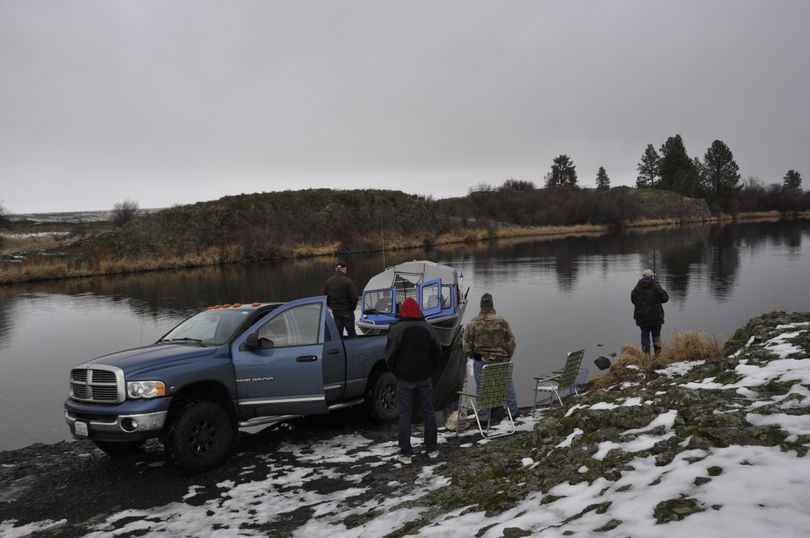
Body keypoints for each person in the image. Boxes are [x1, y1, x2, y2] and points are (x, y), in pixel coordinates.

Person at [384, 297, 443, 465]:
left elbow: (389, 357)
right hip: (424, 378)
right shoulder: (428, 328)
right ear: (418, 310)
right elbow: (438, 353)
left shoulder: (396, 330)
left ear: (403, 311)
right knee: (428, 412)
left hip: (404, 380)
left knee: (404, 415)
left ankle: (406, 453)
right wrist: (428, 368)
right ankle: (432, 448)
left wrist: (397, 372)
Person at [462, 293, 518, 419]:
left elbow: (466, 346)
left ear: (481, 306)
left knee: (482, 388)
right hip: (501, 360)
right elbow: (511, 342)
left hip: (481, 361)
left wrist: (473, 355)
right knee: (507, 385)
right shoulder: (502, 322)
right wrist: (507, 356)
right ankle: (513, 411)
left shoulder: (473, 323)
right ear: (492, 305)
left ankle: (483, 415)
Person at [631, 269, 669, 355]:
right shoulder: (656, 286)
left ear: (643, 276)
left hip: (642, 318)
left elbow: (633, 300)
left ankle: (646, 355)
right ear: (652, 277)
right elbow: (665, 298)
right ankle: (658, 355)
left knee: (644, 335)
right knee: (656, 336)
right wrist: (659, 288)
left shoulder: (637, 288)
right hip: (656, 317)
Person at [323, 260, 359, 338]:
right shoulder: (348, 281)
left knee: (338, 334)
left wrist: (332, 307)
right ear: (344, 269)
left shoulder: (328, 282)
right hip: (347, 311)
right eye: (345, 268)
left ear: (336, 269)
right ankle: (354, 349)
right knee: (351, 333)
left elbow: (325, 298)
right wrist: (352, 308)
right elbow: (355, 297)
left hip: (336, 312)